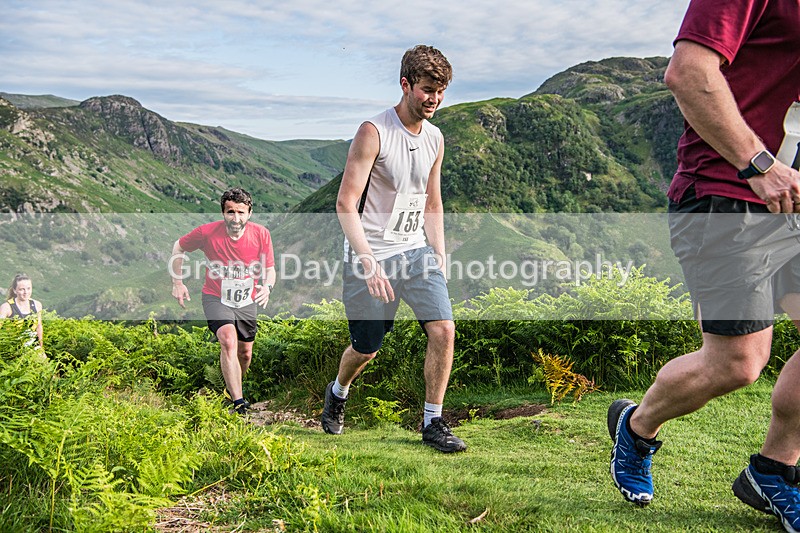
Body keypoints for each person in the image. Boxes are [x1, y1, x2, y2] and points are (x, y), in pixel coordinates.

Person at [608, 0, 800, 529]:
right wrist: (757, 163)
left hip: (792, 203)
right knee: (737, 364)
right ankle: (637, 426)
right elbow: (688, 71)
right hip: (726, 195)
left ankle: (774, 470)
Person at [320, 44, 466, 453]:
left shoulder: (436, 138)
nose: (434, 99)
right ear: (405, 85)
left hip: (415, 252)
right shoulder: (374, 132)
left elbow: (431, 202)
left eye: (440, 91)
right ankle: (338, 390)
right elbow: (345, 203)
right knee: (367, 348)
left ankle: (433, 424)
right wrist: (367, 261)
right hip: (371, 256)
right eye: (426, 89)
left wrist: (438, 252)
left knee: (444, 331)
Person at [169, 187, 276, 415]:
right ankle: (239, 403)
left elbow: (270, 269)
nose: (235, 218)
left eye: (240, 212)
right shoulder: (207, 233)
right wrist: (177, 282)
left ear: (249, 213)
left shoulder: (261, 234)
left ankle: (230, 389)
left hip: (246, 299)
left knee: (245, 353)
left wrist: (267, 287)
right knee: (228, 340)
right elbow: (178, 246)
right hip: (216, 296)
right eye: (230, 212)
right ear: (223, 213)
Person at [0, 273, 43, 348]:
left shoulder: (37, 305)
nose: (26, 292)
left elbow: (39, 327)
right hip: (14, 348)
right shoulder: (7, 307)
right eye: (22, 289)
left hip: (34, 347)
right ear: (15, 290)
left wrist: (41, 347)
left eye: (28, 288)